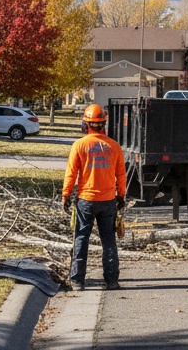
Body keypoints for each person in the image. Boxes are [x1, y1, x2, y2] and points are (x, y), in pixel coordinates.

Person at [63, 103, 126, 291]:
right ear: (104, 124)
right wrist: (120, 195)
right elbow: (121, 175)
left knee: (81, 238)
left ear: (86, 124)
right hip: (108, 201)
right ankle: (112, 280)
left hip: (86, 201)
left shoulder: (79, 145)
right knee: (109, 241)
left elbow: (71, 174)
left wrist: (66, 195)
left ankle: (77, 281)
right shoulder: (114, 147)